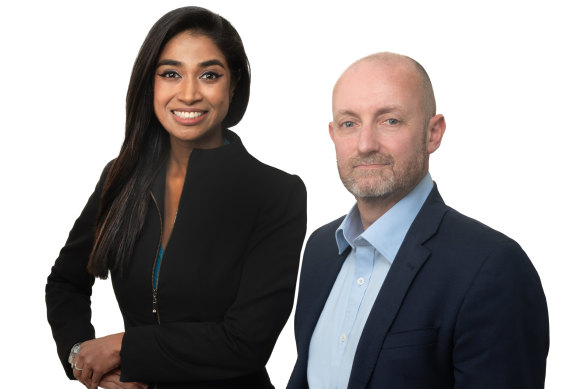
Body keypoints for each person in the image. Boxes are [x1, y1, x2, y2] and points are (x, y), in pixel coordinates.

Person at [46, 6, 307, 389]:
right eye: (170, 73)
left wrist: (124, 347)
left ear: (232, 86)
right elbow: (65, 282)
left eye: (209, 75)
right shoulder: (119, 177)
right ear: (150, 84)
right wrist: (81, 358)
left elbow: (246, 341)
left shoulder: (276, 193)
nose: (188, 93)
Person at [287, 52, 548, 389]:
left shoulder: (494, 268)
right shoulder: (321, 249)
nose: (365, 145)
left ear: (433, 133)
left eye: (389, 120)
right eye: (349, 123)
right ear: (333, 134)